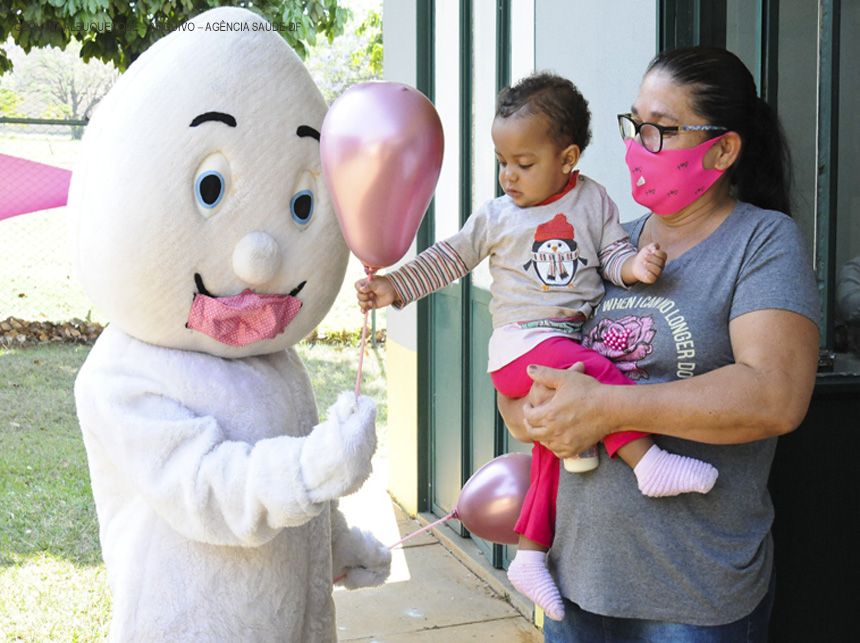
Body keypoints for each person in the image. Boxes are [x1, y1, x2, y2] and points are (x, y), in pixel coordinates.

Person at [355, 72, 718, 621]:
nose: (509, 176)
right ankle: (647, 462)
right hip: (522, 345)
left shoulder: (593, 201)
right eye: (502, 162)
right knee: (593, 376)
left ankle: (529, 554)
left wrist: (636, 267)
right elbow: (450, 257)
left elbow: (612, 255)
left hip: (564, 343)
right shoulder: (498, 216)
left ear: (568, 158)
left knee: (553, 449)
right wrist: (394, 286)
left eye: (524, 164)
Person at [498, 47, 820, 642]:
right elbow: (531, 361)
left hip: (692, 595)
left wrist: (606, 408)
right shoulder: (609, 245)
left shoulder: (762, 241)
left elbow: (775, 395)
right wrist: (532, 410)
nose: (638, 146)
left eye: (662, 130)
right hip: (576, 581)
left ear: (722, 150)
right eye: (636, 124)